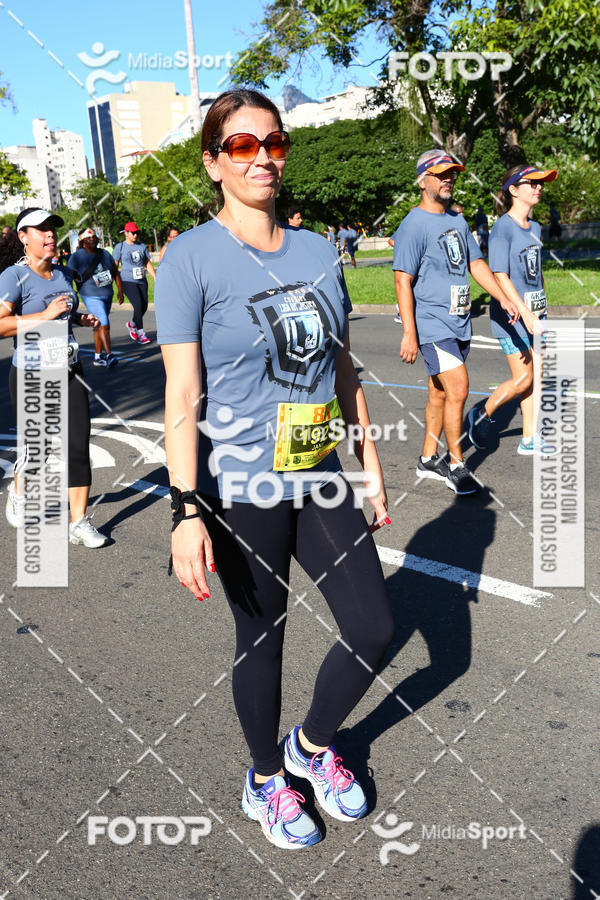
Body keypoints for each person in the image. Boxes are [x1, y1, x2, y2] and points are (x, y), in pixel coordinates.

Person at [155, 89, 394, 850]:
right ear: (213, 162)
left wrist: (370, 458)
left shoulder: (319, 251)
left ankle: (311, 746)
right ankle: (265, 780)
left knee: (373, 626)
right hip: (240, 483)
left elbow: (342, 363)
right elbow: (182, 393)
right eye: (242, 145)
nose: (262, 157)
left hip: (318, 465)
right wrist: (185, 510)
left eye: (274, 142)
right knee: (264, 637)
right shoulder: (190, 258)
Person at [393, 150, 520, 495]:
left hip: (459, 321)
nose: (448, 179)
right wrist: (409, 333)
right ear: (423, 181)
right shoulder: (413, 225)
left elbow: (475, 264)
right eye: (441, 174)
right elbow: (402, 279)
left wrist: (503, 297)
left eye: (452, 174)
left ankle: (427, 459)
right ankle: (456, 465)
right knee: (459, 388)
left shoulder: (457, 221)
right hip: (432, 322)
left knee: (439, 392)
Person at [0, 207, 108, 547]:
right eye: (41, 229)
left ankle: (79, 522)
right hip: (32, 374)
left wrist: (79, 319)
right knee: (38, 449)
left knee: (78, 445)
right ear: (23, 237)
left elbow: (64, 311)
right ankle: (19, 490)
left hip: (70, 370)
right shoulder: (13, 277)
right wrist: (45, 315)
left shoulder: (62, 273)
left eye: (52, 228)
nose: (50, 234)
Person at [468, 164, 557, 455]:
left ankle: (530, 438)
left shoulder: (536, 227)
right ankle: (481, 414)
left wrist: (542, 306)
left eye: (540, 183)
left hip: (536, 314)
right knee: (523, 379)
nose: (538, 187)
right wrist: (527, 315)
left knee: (537, 375)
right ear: (514, 190)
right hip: (512, 316)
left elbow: (536, 271)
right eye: (532, 183)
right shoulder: (502, 229)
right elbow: (500, 275)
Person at [68, 227, 123, 366]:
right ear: (82, 242)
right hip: (90, 295)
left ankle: (98, 357)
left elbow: (115, 272)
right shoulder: (77, 257)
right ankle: (109, 355)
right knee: (104, 323)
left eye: (94, 237)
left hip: (107, 294)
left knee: (98, 324)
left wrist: (120, 290)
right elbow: (69, 275)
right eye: (88, 238)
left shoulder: (104, 254)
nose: (92, 239)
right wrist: (70, 291)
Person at [112, 222, 156, 344]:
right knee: (137, 305)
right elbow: (114, 266)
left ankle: (132, 324)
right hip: (127, 280)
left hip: (141, 280)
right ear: (126, 233)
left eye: (136, 232)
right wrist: (117, 286)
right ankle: (141, 333)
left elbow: (147, 263)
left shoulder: (142, 246)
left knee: (144, 306)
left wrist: (155, 277)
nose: (135, 235)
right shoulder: (120, 247)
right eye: (132, 233)